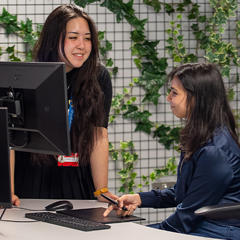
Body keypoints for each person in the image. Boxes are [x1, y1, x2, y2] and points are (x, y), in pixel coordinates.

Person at [104, 63, 240, 240]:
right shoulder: (202, 137)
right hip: (202, 225)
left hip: (219, 230)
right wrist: (140, 198)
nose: (168, 98)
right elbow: (184, 194)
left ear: (196, 98)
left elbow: (189, 216)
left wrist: (146, 233)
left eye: (174, 93)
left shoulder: (215, 152)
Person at [11, 4, 115, 205]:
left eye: (87, 38)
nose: (82, 46)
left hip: (77, 179)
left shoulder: (98, 77)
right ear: (54, 39)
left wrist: (101, 189)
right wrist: (8, 192)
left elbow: (99, 134)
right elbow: (9, 140)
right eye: (73, 37)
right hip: (32, 180)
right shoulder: (26, 76)